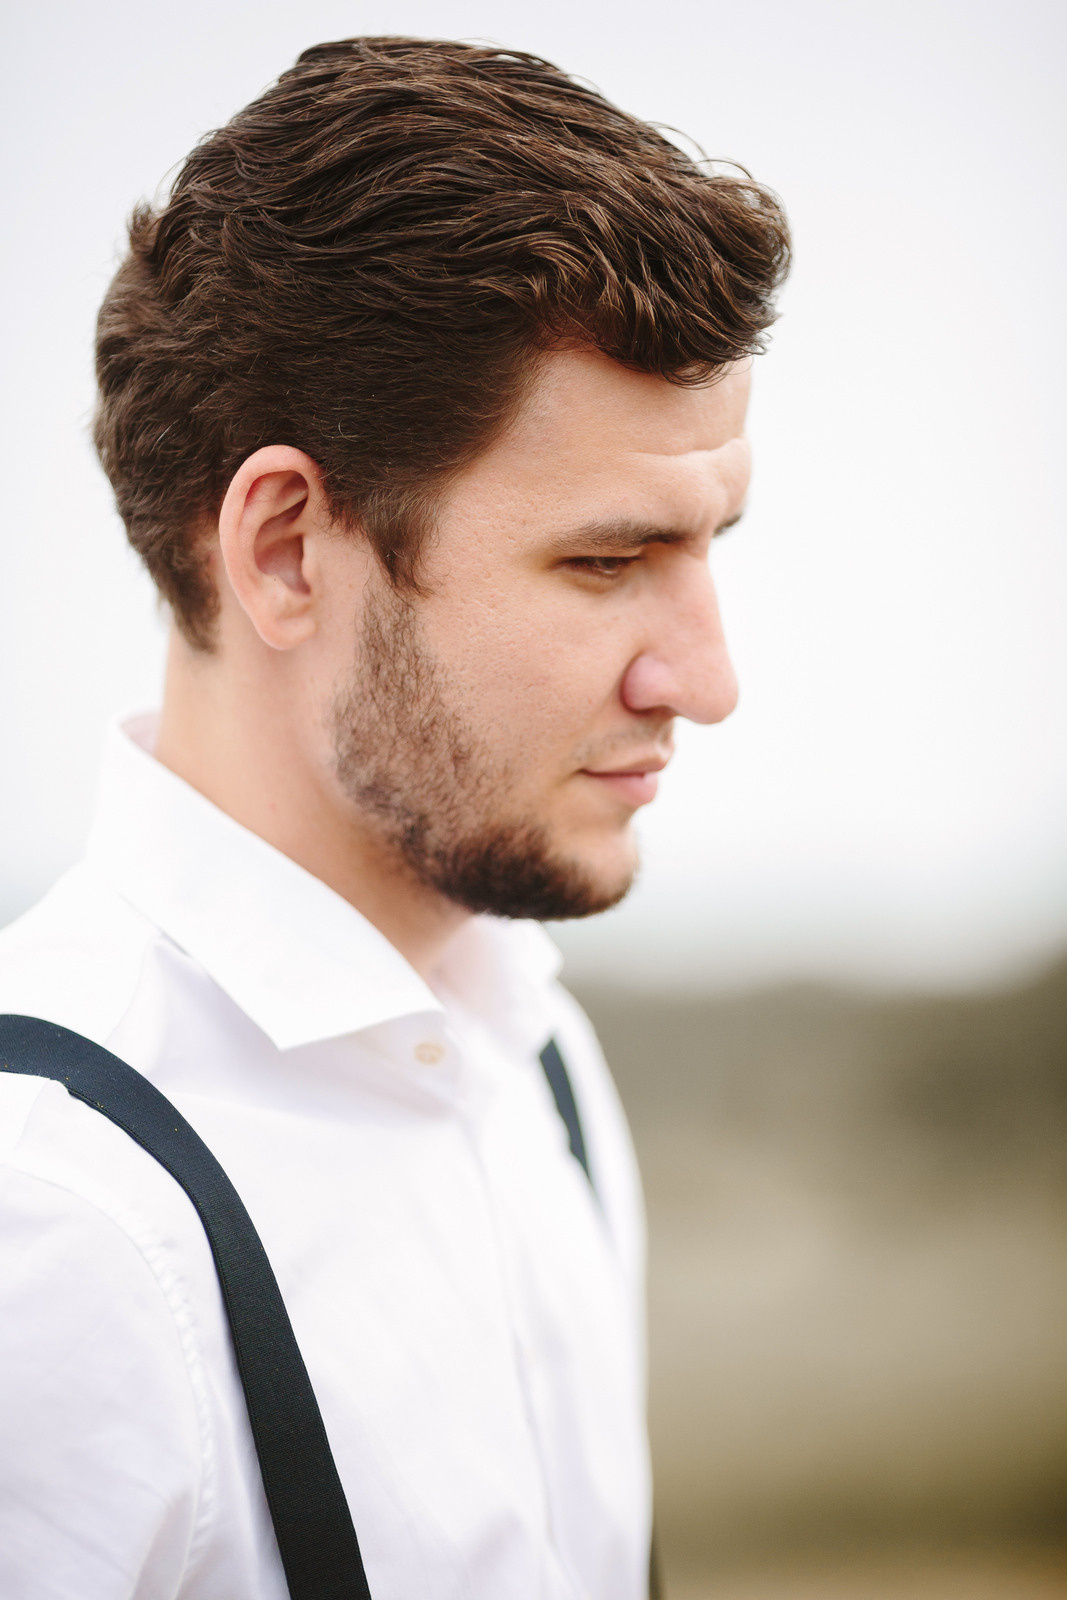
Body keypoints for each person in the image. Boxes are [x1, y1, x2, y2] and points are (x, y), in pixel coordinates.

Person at [0, 36, 789, 1600]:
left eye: (712, 547)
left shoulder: (532, 1055)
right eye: (606, 560)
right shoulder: (54, 1230)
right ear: (288, 548)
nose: (707, 681)